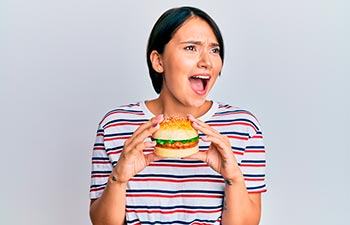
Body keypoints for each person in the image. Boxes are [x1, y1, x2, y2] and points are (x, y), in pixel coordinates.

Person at [89, 6, 266, 225]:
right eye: (191, 48)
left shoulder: (242, 127)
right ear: (158, 61)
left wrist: (233, 177)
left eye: (214, 50)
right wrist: (118, 179)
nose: (207, 62)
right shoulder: (115, 126)